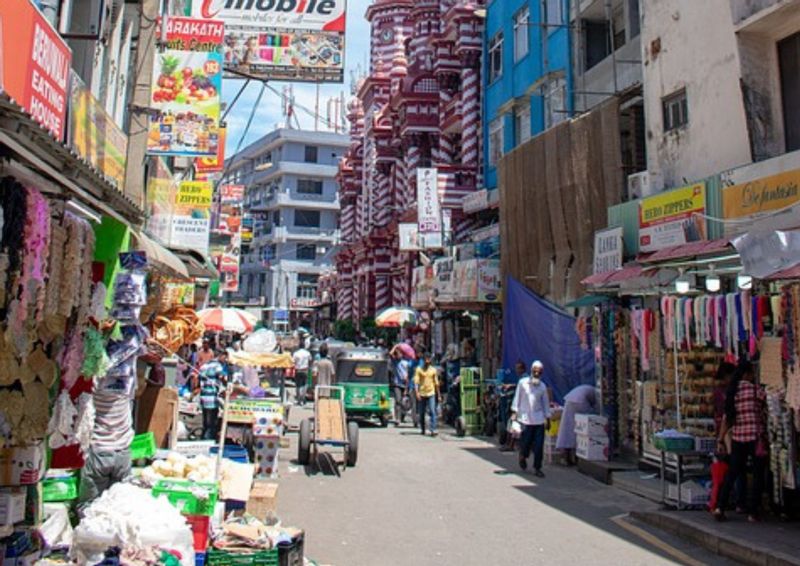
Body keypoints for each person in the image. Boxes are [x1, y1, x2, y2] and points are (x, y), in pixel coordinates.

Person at [713, 361, 768, 522]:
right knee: (758, 474)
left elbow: (726, 419)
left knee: (732, 473)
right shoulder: (755, 390)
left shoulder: (732, 393)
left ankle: (720, 506)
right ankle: (753, 512)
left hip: (738, 438)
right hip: (755, 438)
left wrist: (721, 440)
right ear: (747, 374)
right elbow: (767, 403)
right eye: (752, 374)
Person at [511, 361, 551, 477]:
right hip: (525, 419)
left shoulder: (542, 387)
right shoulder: (522, 383)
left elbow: (545, 404)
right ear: (531, 371)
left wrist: (547, 419)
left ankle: (537, 467)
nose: (537, 373)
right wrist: (514, 412)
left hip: (538, 420)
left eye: (539, 371)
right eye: (535, 371)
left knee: (539, 446)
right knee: (525, 444)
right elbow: (517, 398)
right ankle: (522, 456)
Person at [556, 384, 598, 464]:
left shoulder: (588, 389)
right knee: (581, 427)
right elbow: (595, 408)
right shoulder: (595, 392)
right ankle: (574, 457)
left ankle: (565, 456)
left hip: (569, 401)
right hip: (580, 401)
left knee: (567, 428)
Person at [195, 353, 228, 440]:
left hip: (203, 397)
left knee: (205, 421)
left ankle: (203, 438)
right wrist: (226, 383)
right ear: (221, 356)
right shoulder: (217, 366)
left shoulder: (203, 367)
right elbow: (222, 377)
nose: (226, 360)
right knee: (212, 422)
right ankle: (208, 439)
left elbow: (197, 383)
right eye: (225, 357)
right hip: (212, 398)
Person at [499, 361, 528, 451]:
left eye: (518, 368)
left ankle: (510, 445)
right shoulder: (522, 378)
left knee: (512, 423)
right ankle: (511, 444)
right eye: (516, 368)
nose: (516, 370)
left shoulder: (525, 379)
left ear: (522, 369)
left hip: (521, 406)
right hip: (520, 406)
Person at [414, 354, 441, 437]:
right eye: (426, 359)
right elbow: (416, 382)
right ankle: (423, 428)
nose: (427, 361)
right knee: (422, 413)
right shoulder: (419, 369)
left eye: (428, 359)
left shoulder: (433, 370)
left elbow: (436, 383)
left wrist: (439, 395)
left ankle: (433, 429)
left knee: (432, 411)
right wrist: (417, 393)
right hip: (422, 393)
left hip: (431, 393)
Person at [390, 346, 411, 424]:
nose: (398, 355)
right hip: (397, 384)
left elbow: (409, 372)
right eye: (397, 354)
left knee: (405, 403)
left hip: (405, 384)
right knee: (398, 400)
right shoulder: (395, 362)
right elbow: (390, 354)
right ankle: (397, 418)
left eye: (400, 354)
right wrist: (396, 346)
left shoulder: (406, 362)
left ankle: (402, 416)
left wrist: (407, 380)